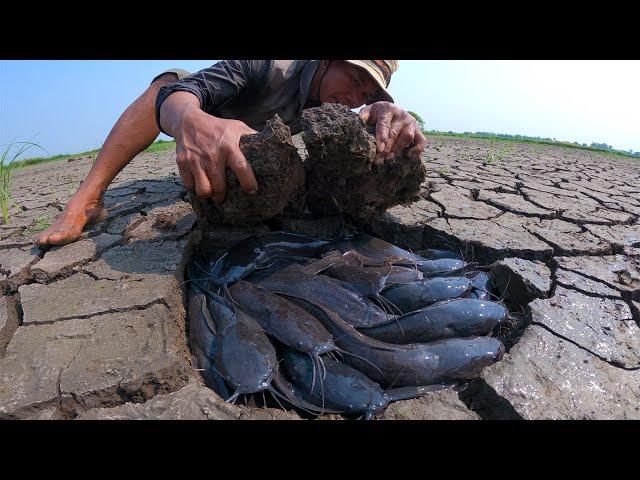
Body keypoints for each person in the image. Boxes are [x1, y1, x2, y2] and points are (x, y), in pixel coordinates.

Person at [35, 60, 427, 247]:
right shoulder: (270, 66)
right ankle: (87, 198)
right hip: (208, 117)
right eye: (355, 78)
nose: (354, 95)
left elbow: (366, 120)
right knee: (167, 85)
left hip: (243, 150)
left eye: (367, 93)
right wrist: (190, 120)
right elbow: (176, 98)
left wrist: (383, 114)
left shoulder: (334, 107)